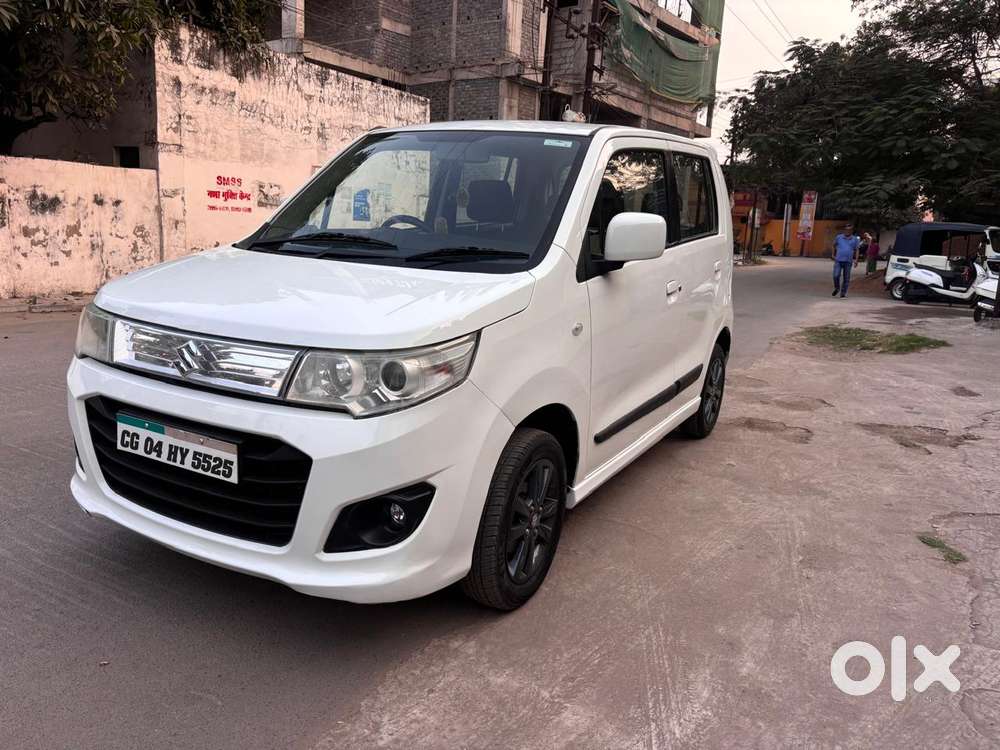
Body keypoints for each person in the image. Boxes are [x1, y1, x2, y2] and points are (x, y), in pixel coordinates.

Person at [832, 225, 860, 297]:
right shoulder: (839, 237)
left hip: (848, 261)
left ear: (851, 231)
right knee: (836, 275)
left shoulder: (855, 239)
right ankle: (837, 288)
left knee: (846, 278)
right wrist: (833, 254)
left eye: (849, 230)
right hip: (838, 260)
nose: (847, 231)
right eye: (846, 230)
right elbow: (834, 245)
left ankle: (843, 293)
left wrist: (856, 260)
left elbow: (857, 250)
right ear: (844, 230)